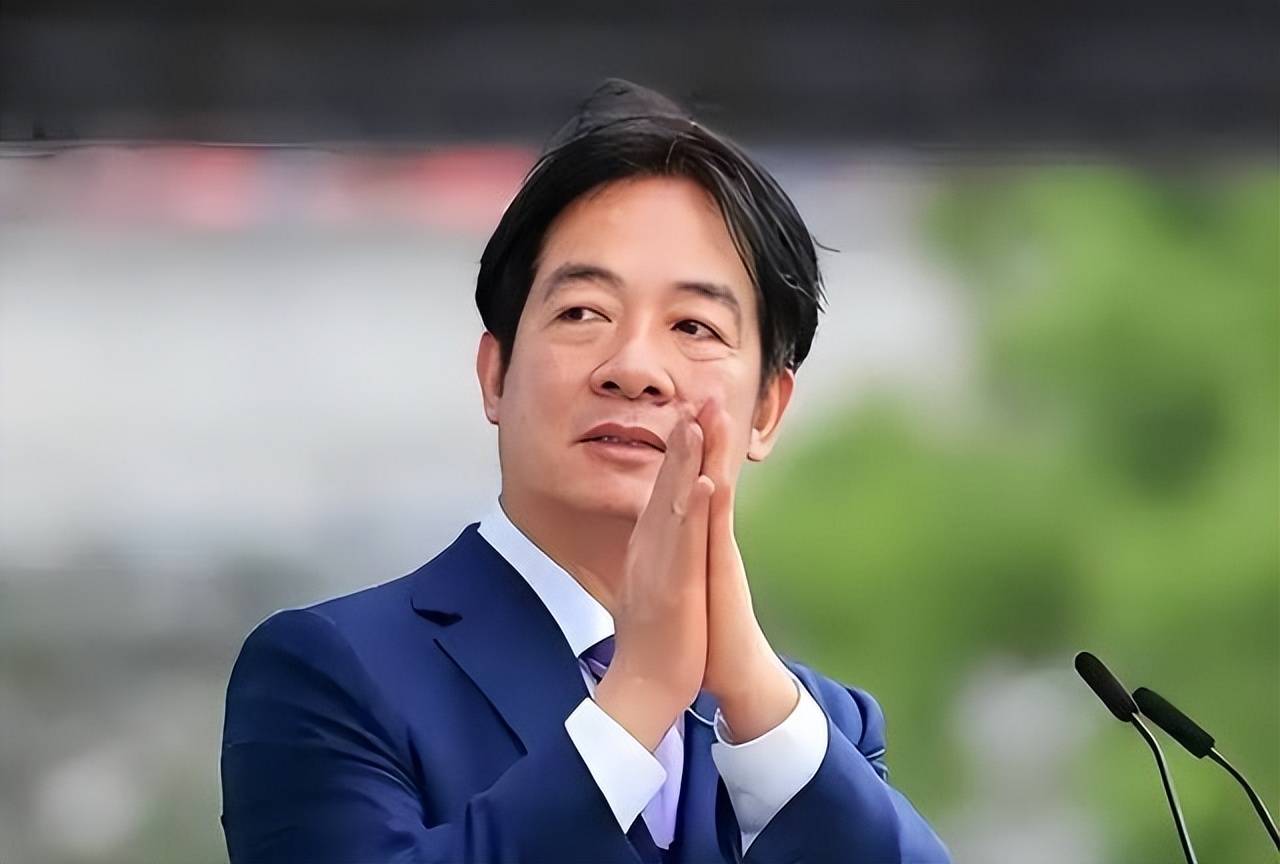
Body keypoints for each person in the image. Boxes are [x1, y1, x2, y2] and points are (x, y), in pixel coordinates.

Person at [220, 78, 951, 864]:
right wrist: (636, 700)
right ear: (495, 373)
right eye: (582, 314)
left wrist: (753, 691)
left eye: (693, 326)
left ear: (767, 410)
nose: (634, 368)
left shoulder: (814, 731)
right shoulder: (330, 672)